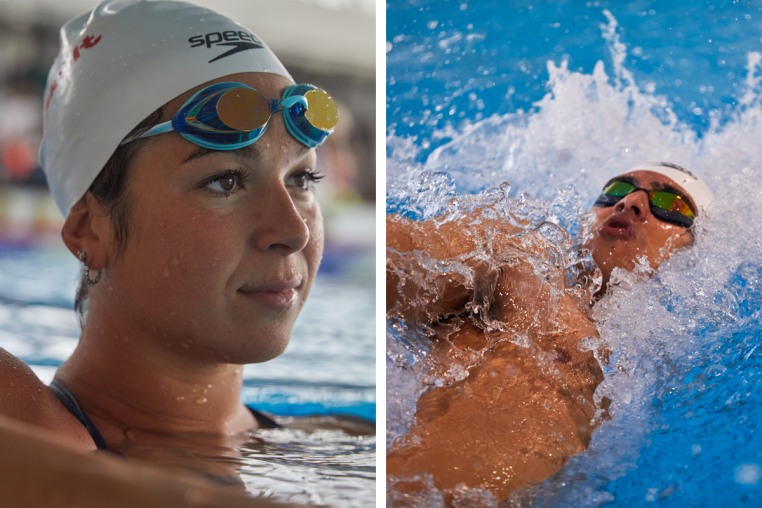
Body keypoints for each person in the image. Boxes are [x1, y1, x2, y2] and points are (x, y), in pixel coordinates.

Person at [0, 0, 367, 503]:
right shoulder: (29, 425)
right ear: (90, 231)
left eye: (301, 178)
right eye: (225, 181)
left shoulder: (341, 440)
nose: (293, 231)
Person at [386, 162, 712, 503]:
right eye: (617, 190)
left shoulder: (673, 358)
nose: (630, 202)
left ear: (692, 249)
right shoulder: (518, 260)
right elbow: (414, 255)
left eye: (670, 204)